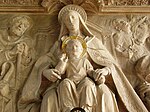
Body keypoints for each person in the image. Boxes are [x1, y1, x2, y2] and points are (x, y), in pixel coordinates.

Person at [18, 5, 149, 112]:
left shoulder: (92, 42)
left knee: (103, 92)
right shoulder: (60, 44)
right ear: (64, 24)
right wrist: (46, 72)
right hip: (65, 82)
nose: (70, 21)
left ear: (79, 19)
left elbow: (110, 64)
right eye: (67, 20)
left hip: (90, 83)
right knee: (51, 96)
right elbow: (47, 62)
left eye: (73, 18)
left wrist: (103, 72)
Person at [0, 15, 33, 112]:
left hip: (14, 83)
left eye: (24, 26)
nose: (20, 26)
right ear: (11, 23)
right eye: (19, 22)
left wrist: (25, 55)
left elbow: (27, 66)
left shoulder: (25, 43)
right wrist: (11, 53)